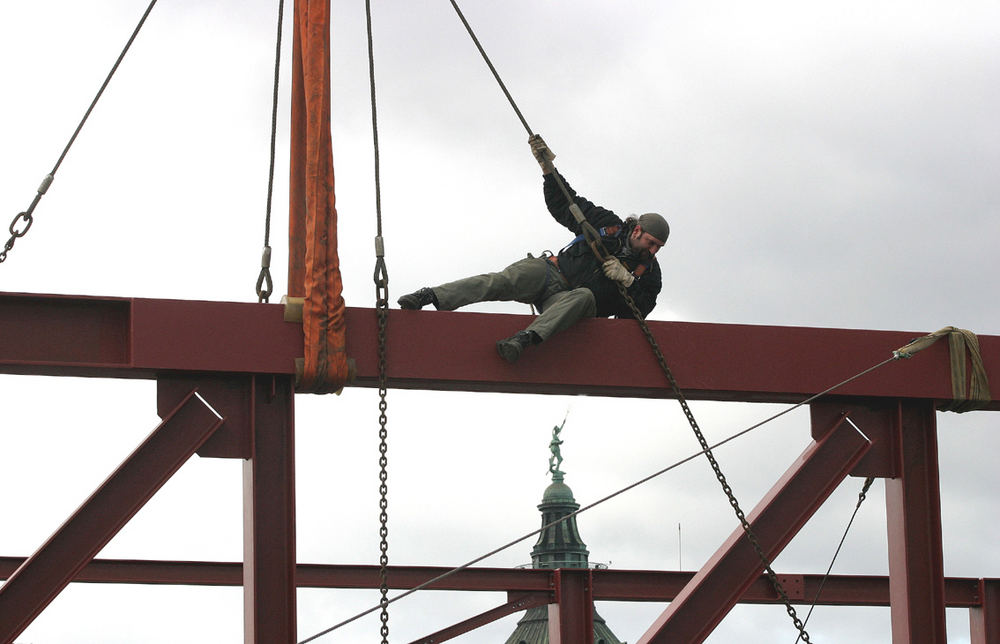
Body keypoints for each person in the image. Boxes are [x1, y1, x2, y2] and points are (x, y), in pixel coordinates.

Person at [398, 135, 668, 363]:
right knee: (501, 281)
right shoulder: (606, 225)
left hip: (566, 304)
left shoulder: (649, 274)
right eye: (651, 243)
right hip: (551, 272)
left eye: (658, 247)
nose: (653, 250)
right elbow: (567, 203)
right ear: (637, 231)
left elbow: (637, 313)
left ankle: (524, 339)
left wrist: (628, 280)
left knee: (585, 296)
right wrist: (548, 168)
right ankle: (431, 296)